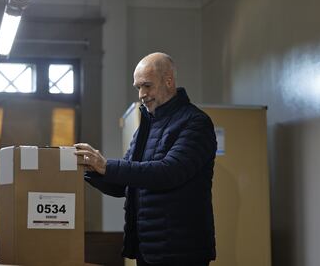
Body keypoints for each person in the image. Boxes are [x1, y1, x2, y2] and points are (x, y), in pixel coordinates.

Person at [75, 52, 216, 266]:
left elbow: (168, 173)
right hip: (148, 250)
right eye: (138, 87)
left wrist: (105, 165)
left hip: (182, 253)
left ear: (169, 81)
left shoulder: (196, 122)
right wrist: (89, 170)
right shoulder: (146, 127)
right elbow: (127, 185)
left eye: (147, 86)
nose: (141, 94)